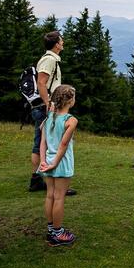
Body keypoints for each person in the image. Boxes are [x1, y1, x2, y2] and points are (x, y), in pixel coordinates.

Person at [28, 31, 77, 195]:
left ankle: (40, 177)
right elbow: (41, 82)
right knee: (48, 143)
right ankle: (49, 178)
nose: (63, 43)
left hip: (43, 106)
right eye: (61, 40)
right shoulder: (49, 60)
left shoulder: (50, 59)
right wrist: (49, 103)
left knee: (44, 142)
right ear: (56, 44)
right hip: (45, 107)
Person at [39, 85, 78, 246]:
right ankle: (58, 233)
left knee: (50, 195)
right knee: (59, 197)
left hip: (47, 162)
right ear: (69, 100)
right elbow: (63, 145)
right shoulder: (71, 120)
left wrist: (44, 161)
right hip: (61, 164)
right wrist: (54, 163)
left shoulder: (48, 118)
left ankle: (51, 230)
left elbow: (43, 143)